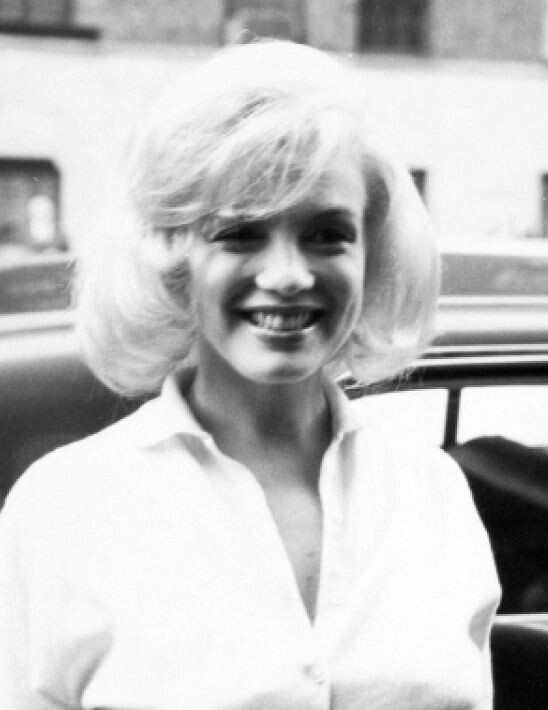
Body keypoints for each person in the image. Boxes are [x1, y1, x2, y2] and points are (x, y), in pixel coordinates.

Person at [0, 40, 500, 709]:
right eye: (240, 233)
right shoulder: (66, 508)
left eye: (327, 233)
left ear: (372, 251)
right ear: (174, 254)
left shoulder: (431, 491)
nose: (288, 275)